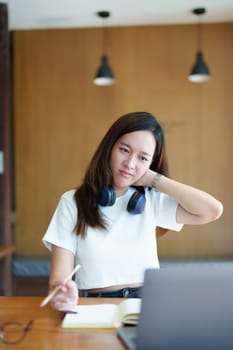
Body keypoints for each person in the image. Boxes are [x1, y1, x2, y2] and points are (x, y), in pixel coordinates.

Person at [42, 111, 223, 311]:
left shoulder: (151, 200)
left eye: (143, 158)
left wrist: (153, 180)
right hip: (95, 304)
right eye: (125, 150)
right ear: (109, 148)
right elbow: (60, 276)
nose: (130, 164)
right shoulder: (72, 202)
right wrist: (63, 292)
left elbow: (212, 210)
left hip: (148, 303)